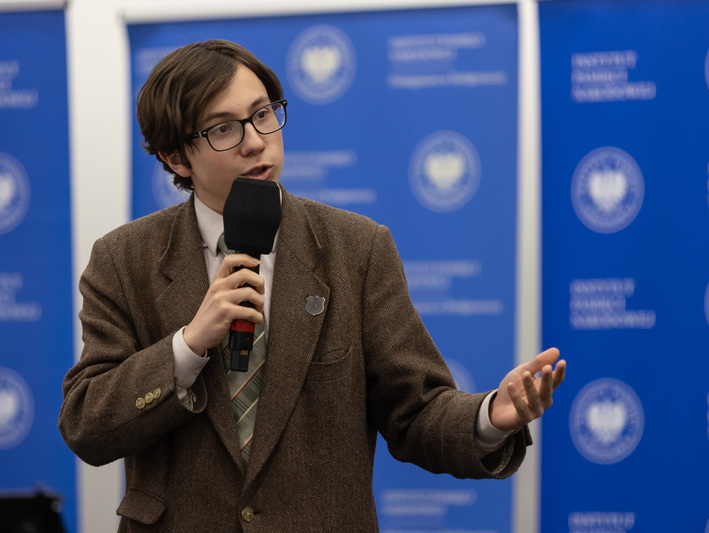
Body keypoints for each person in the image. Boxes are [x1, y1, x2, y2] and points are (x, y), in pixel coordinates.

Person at [58, 39, 566, 532]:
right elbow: (86, 424)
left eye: (262, 114)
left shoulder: (357, 249)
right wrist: (187, 347)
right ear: (175, 157)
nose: (256, 140)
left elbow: (415, 410)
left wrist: (488, 417)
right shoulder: (124, 259)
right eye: (224, 129)